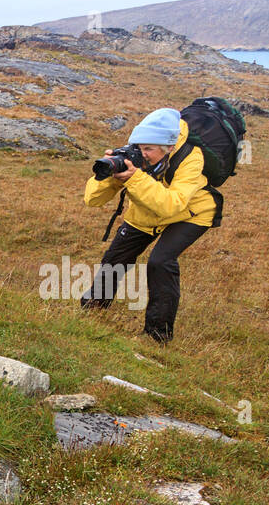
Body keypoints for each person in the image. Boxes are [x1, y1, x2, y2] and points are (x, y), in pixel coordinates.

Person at [82, 108, 218, 343]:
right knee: (117, 255)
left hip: (190, 212)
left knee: (160, 262)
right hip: (149, 210)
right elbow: (92, 200)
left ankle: (157, 336)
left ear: (169, 148)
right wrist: (110, 176)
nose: (142, 155)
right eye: (139, 147)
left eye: (148, 149)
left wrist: (135, 178)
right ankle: (93, 307)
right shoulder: (136, 158)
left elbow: (172, 205)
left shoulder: (191, 157)